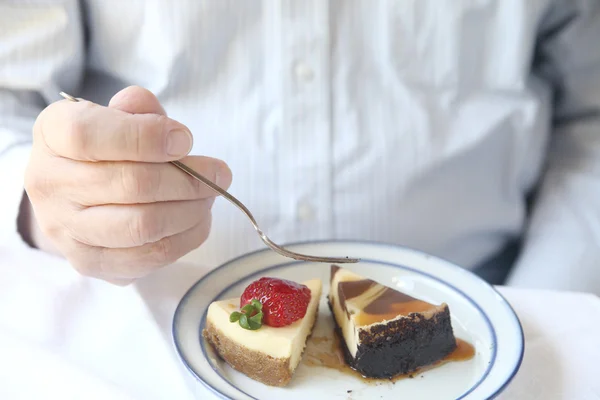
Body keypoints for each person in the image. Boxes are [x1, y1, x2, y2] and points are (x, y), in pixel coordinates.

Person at [2, 1, 599, 293]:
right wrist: (48, 206)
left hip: (491, 307)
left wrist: (537, 318)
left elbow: (590, 113)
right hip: (139, 329)